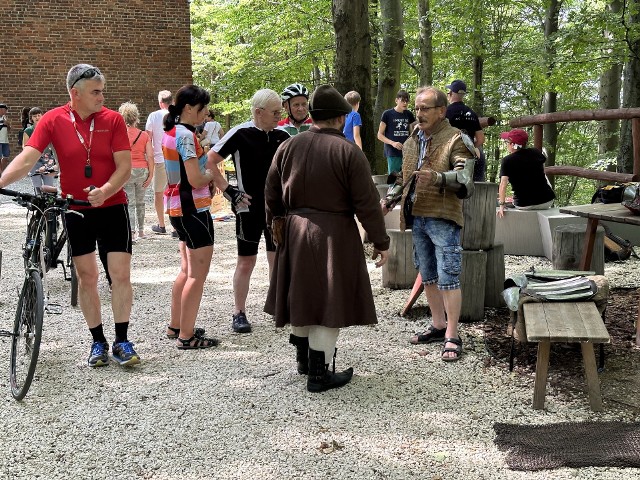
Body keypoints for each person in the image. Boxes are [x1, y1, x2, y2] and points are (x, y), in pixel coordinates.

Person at [0, 64, 140, 368]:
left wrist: (105, 189)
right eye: (96, 91)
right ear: (74, 93)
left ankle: (122, 340)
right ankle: (98, 342)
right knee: (87, 277)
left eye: (102, 90)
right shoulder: (53, 119)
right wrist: (1, 182)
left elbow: (124, 167)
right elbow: (27, 158)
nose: (102, 96)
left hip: (112, 206)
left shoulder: (113, 120)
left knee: (120, 275)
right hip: (76, 208)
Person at [265, 84, 389, 392]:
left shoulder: (287, 147)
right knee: (327, 303)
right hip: (333, 235)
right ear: (339, 119)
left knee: (303, 295)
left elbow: (270, 194)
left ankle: (305, 361)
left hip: (294, 231)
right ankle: (318, 375)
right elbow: (367, 203)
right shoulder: (348, 151)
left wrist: (278, 227)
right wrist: (381, 242)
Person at [401, 86, 476, 362]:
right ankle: (438, 324)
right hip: (417, 214)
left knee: (448, 275)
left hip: (443, 216)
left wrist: (437, 178)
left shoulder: (456, 139)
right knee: (427, 273)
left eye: (425, 108)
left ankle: (453, 334)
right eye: (417, 108)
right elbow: (406, 177)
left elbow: (466, 179)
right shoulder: (414, 138)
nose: (418, 113)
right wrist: (392, 199)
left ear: (441, 111)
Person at [207, 89, 290, 334]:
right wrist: (229, 191)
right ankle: (239, 312)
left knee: (277, 259)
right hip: (248, 209)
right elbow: (210, 160)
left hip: (276, 209)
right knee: (246, 261)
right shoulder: (240, 134)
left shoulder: (283, 135)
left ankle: (279, 306)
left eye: (280, 111)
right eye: (275, 112)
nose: (279, 116)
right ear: (258, 112)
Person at [163, 85, 221, 349]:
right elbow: (195, 178)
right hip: (193, 209)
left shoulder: (171, 131)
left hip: (177, 208)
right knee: (197, 274)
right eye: (203, 108)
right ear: (189, 108)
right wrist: (212, 174)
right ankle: (187, 336)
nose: (206, 113)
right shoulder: (186, 135)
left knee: (186, 271)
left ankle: (176, 326)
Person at [497, 128, 555, 218]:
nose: (506, 145)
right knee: (542, 174)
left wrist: (501, 205)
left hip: (524, 204)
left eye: (506, 142)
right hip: (547, 201)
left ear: (512, 145)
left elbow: (503, 184)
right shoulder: (536, 152)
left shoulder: (507, 160)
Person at [118, 102, 154, 240]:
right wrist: (151, 174)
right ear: (136, 117)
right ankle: (141, 231)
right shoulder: (144, 135)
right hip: (142, 170)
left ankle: (131, 232)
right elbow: (150, 156)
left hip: (126, 170)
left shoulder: (119, 134)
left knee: (130, 202)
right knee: (141, 202)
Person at [445, 79, 486, 181]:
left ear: (450, 93)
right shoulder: (471, 113)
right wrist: (471, 146)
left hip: (450, 156)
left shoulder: (445, 112)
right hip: (469, 156)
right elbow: (481, 139)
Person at [145, 90, 173, 235]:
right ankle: (176, 227)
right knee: (175, 191)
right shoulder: (178, 115)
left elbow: (147, 139)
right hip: (175, 159)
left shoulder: (153, 116)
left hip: (159, 158)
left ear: (160, 103)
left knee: (158, 193)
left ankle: (162, 225)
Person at [377, 90, 416, 174]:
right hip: (393, 152)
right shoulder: (387, 114)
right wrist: (393, 143)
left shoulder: (409, 114)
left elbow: (413, 133)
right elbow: (379, 135)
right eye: (402, 100)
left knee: (407, 178)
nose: (405, 103)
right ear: (396, 100)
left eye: (407, 101)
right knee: (394, 180)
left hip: (407, 151)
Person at [22, 107, 58, 193]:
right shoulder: (28, 130)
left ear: (42, 116)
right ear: (31, 118)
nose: (37, 118)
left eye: (39, 115)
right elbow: (25, 146)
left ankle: (49, 204)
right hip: (34, 160)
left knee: (49, 185)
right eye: (35, 116)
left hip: (48, 159)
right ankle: (38, 203)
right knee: (37, 185)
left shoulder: (48, 129)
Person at [0, 103, 11, 173]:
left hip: (5, 140)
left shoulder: (5, 117)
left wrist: (8, 124)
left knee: (6, 157)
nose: (6, 111)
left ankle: (2, 171)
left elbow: (9, 129)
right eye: (5, 110)